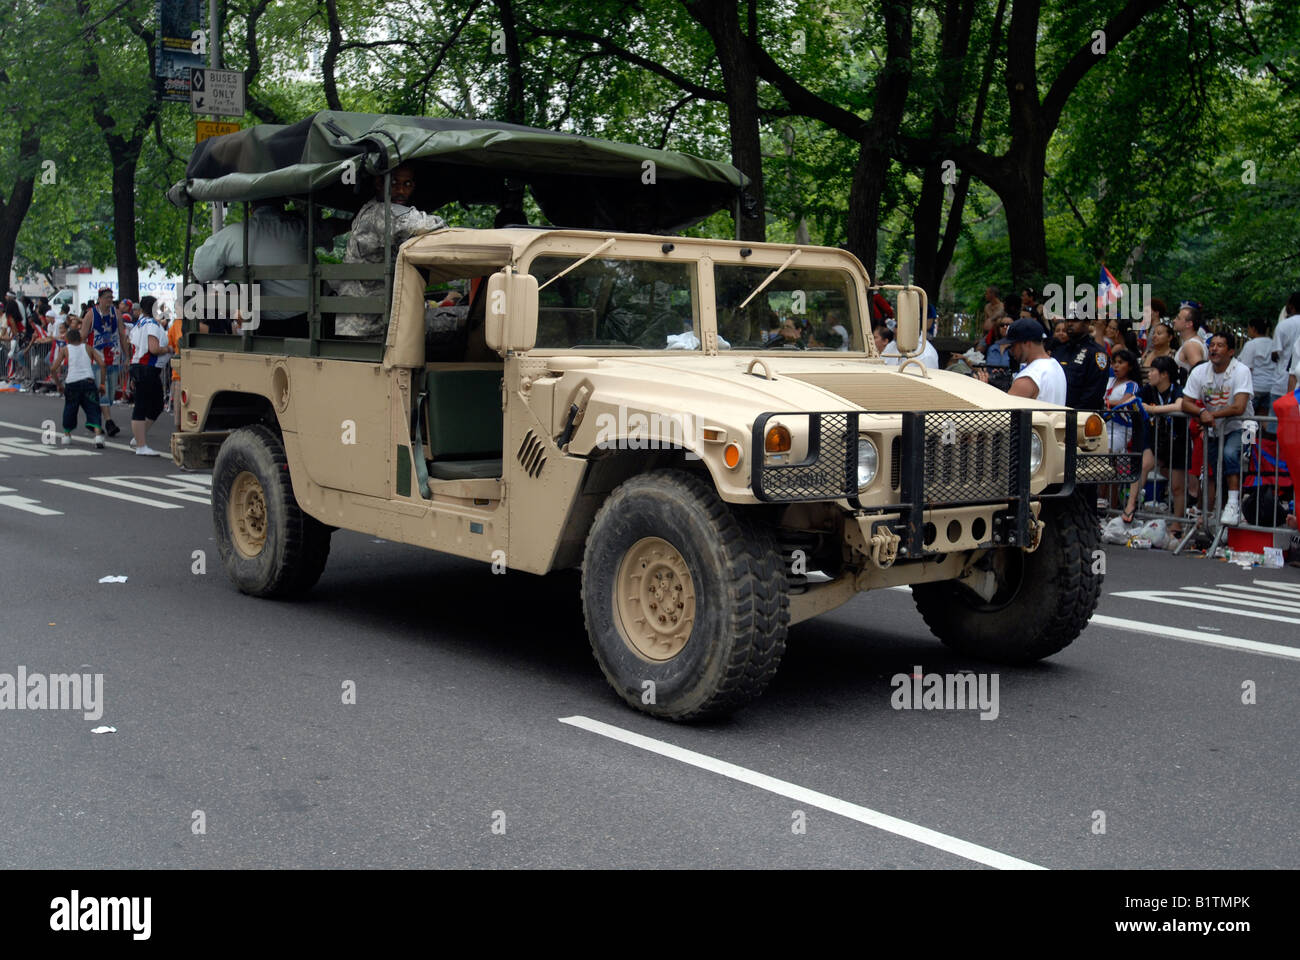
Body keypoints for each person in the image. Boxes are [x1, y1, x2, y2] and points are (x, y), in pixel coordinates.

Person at [335, 164, 447, 337]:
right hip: (367, 324)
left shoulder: (373, 209)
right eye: (394, 183)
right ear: (379, 183)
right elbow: (432, 225)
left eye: (407, 184)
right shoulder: (381, 213)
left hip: (366, 319)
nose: (401, 190)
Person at [193, 199, 322, 336]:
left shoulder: (234, 234)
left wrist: (230, 268)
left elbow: (200, 271)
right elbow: (329, 229)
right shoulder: (301, 227)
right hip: (312, 323)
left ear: (250, 210)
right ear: (283, 206)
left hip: (266, 328)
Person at [1182, 331, 1253, 527]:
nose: (1214, 348)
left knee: (1230, 454)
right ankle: (1215, 513)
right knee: (1213, 469)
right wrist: (1201, 411)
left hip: (1245, 427)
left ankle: (1233, 504)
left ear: (1231, 351)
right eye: (1212, 345)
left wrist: (1209, 415)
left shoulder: (1241, 371)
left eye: (1220, 345)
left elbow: (1239, 407)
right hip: (1215, 429)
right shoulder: (1200, 371)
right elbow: (1185, 403)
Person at [1122, 355, 1188, 535]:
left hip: (1177, 440)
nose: (1149, 374)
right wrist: (1136, 404)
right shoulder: (1148, 390)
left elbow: (1180, 405)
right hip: (1155, 438)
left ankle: (1177, 523)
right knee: (1144, 464)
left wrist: (1152, 409)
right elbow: (1130, 401)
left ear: (1165, 374)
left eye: (1152, 371)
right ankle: (1130, 505)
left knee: (1177, 486)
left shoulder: (1177, 389)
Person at [126, 296, 170, 456]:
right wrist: (169, 349)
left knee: (155, 404)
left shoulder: (139, 323)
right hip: (147, 367)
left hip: (140, 366)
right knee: (143, 405)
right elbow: (154, 348)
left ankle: (139, 437)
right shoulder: (151, 324)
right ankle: (140, 444)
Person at [50, 326, 106, 449]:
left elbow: (53, 368)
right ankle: (98, 436)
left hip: (72, 382)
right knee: (93, 408)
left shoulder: (65, 350)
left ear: (68, 340)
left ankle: (67, 435)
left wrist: (59, 384)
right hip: (88, 382)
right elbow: (102, 364)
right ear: (80, 338)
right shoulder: (88, 348)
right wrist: (102, 384)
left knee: (70, 408)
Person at [83, 288, 125, 436]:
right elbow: (82, 337)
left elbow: (122, 335)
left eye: (111, 298)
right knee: (104, 391)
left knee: (111, 395)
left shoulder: (116, 313)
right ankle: (109, 422)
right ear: (99, 299)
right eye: (107, 298)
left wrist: (127, 357)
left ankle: (93, 420)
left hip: (113, 358)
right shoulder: (91, 315)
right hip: (97, 360)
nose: (109, 300)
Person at [1052, 311, 1110, 409]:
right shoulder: (1059, 350)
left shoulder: (1096, 353)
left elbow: (1094, 392)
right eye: (1068, 320)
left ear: (1087, 323)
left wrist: (1074, 414)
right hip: (1056, 411)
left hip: (1082, 416)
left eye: (1075, 320)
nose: (1070, 324)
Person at [1006, 317, 1066, 404]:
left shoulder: (1028, 378)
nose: (1011, 350)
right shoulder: (1056, 365)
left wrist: (984, 390)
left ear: (1026, 343)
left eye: (1013, 345)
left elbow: (1002, 415)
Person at [1237, 316, 1281, 417]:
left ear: (1253, 329)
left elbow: (1246, 367)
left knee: (1249, 417)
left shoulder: (1251, 344)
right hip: (1270, 386)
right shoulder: (1272, 343)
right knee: (1263, 417)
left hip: (1255, 387)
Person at [1269, 292, 1300, 412]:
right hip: (1297, 385)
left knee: (1275, 425)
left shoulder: (1283, 325)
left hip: (1282, 381)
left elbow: (1275, 353)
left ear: (1291, 306)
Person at [1172, 303, 1206, 382]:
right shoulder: (1190, 343)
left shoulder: (1191, 345)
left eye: (1178, 318)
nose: (1174, 320)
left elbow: (1199, 374)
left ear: (1189, 324)